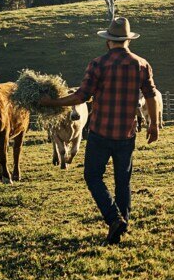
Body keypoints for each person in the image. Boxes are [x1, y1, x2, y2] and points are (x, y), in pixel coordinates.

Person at [40, 17, 159, 244]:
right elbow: (152, 95)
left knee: (92, 175)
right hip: (126, 132)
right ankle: (120, 226)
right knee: (122, 180)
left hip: (100, 132)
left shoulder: (97, 64)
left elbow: (81, 97)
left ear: (108, 42)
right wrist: (154, 124)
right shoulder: (141, 64)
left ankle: (114, 219)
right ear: (127, 41)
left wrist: (51, 103)